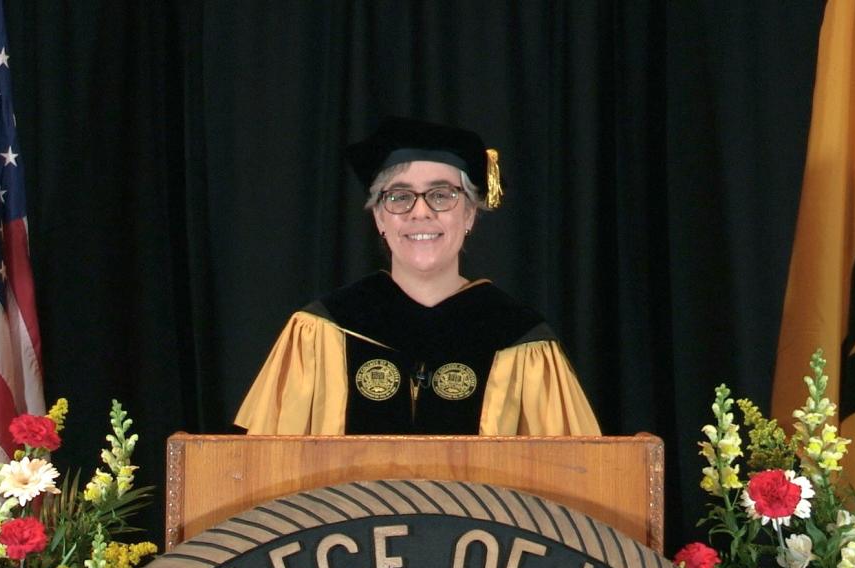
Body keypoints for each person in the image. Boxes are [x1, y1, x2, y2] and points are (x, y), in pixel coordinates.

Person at [235, 117, 600, 435]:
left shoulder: (520, 340)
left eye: (441, 195)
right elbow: (264, 470)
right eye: (399, 196)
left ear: (470, 215)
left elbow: (572, 478)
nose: (420, 212)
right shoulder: (320, 332)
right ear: (379, 218)